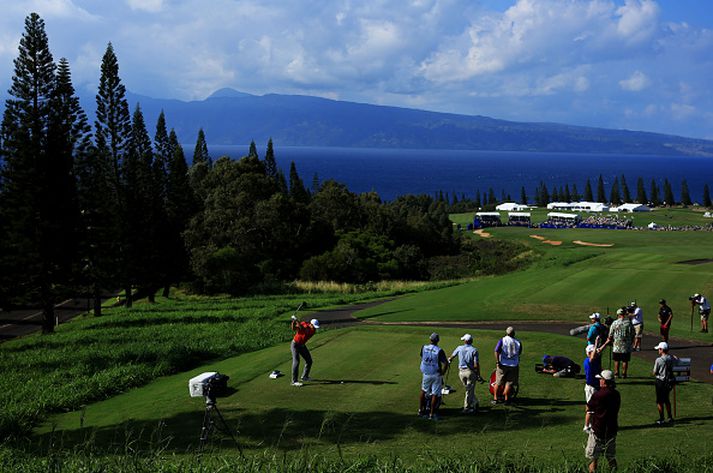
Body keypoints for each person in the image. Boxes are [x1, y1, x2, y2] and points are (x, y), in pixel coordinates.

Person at [584, 370, 621, 473]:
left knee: (593, 458)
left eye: (601, 379)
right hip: (611, 430)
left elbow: (589, 408)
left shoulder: (599, 395)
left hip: (598, 430)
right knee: (611, 457)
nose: (599, 381)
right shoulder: (616, 394)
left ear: (605, 381)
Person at [419, 332, 449, 420]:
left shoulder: (424, 347)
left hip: (426, 373)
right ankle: (431, 414)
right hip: (436, 374)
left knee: (423, 391)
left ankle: (420, 410)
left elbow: (422, 356)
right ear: (438, 340)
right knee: (435, 394)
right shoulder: (439, 350)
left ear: (430, 339)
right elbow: (445, 363)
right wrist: (443, 372)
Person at [598, 308, 634, 378]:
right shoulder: (628, 323)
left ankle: (616, 373)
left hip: (617, 344)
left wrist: (610, 339)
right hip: (626, 345)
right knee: (625, 360)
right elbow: (632, 334)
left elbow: (610, 334)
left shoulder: (615, 323)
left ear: (618, 315)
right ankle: (624, 374)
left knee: (616, 360)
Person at [449, 333, 480, 413]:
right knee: (469, 390)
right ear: (471, 341)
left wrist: (449, 361)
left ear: (465, 341)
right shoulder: (474, 350)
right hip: (470, 372)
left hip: (461, 373)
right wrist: (478, 374)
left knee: (468, 390)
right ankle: (467, 408)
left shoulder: (459, 348)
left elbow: (451, 357)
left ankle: (473, 403)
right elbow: (476, 365)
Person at [493, 326, 522, 405]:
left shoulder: (502, 340)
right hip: (514, 365)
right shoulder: (518, 342)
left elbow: (496, 351)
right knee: (509, 383)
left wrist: (497, 361)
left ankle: (495, 399)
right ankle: (506, 399)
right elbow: (519, 353)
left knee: (498, 382)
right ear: (514, 333)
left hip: (503, 364)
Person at [290, 316, 320, 387]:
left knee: (309, 361)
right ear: (311, 324)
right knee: (296, 362)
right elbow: (294, 328)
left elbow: (302, 329)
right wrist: (293, 322)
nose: (315, 328)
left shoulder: (312, 331)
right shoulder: (304, 324)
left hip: (302, 345)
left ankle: (304, 377)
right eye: (314, 326)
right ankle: (294, 381)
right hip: (295, 345)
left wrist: (296, 320)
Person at [653, 341, 676, 425]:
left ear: (662, 350)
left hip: (660, 381)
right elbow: (676, 361)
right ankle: (670, 417)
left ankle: (662, 418)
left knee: (659, 401)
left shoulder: (658, 360)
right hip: (668, 381)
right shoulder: (671, 358)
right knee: (667, 400)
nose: (658, 350)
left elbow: (655, 372)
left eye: (659, 349)